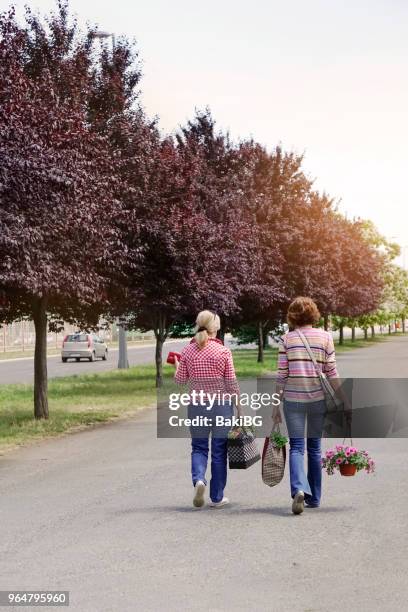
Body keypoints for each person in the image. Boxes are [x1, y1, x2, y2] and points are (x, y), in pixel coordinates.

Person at [274, 296, 340, 515]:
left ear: (292, 315)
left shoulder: (286, 339)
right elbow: (331, 371)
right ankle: (314, 498)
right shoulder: (325, 337)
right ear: (314, 314)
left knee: (297, 447)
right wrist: (343, 399)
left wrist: (275, 405)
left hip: (293, 400)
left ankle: (299, 489)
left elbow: (282, 374)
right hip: (317, 400)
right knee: (314, 448)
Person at [173, 310, 240, 509]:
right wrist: (239, 408)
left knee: (199, 448)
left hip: (197, 406)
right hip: (221, 406)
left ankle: (199, 480)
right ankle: (217, 497)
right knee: (219, 451)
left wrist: (177, 366)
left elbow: (180, 381)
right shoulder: (223, 352)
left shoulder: (187, 351)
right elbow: (232, 383)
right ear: (216, 328)